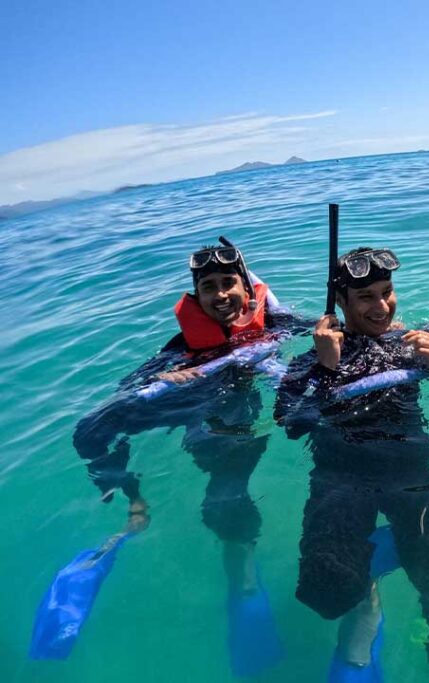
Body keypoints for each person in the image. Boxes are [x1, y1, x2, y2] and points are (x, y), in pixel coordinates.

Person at [72, 238, 304, 677]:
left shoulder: (278, 324)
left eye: (228, 283)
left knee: (223, 482)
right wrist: (164, 375)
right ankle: (134, 499)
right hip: (193, 397)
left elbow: (345, 334)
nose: (219, 295)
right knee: (90, 430)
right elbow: (121, 398)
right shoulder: (180, 348)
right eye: (208, 288)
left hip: (239, 408)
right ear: (195, 298)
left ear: (246, 289)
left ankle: (241, 566)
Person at [274, 246, 429, 683]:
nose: (382, 305)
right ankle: (368, 584)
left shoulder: (413, 343)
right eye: (366, 297)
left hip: (409, 476)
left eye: (387, 292)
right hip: (341, 478)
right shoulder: (312, 361)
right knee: (324, 594)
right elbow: (290, 423)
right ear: (342, 303)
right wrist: (326, 371)